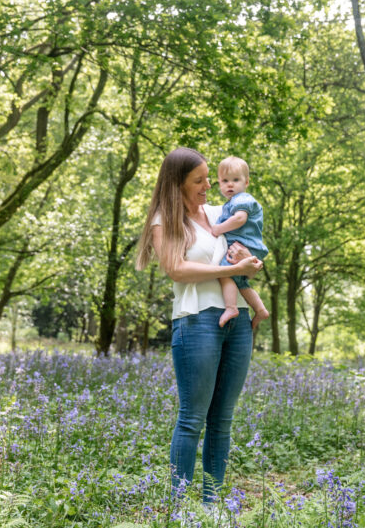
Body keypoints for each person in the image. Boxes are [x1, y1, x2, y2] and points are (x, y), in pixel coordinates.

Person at [136, 147, 264, 505]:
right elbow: (177, 269)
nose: (209, 185)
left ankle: (211, 504)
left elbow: (247, 245)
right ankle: (178, 507)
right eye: (199, 180)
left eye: (210, 177)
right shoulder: (165, 219)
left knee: (222, 420)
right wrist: (232, 270)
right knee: (193, 418)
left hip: (236, 319)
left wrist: (249, 262)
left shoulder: (217, 212)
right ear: (177, 183)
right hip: (196, 322)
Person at [210, 156, 271, 329]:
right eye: (225, 181)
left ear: (246, 182)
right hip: (248, 248)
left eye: (236, 180)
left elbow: (239, 219)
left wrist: (218, 229)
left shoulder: (241, 199)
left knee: (224, 272)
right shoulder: (231, 202)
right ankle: (260, 310)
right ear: (219, 183)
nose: (230, 185)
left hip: (243, 246)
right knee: (241, 282)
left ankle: (231, 307)